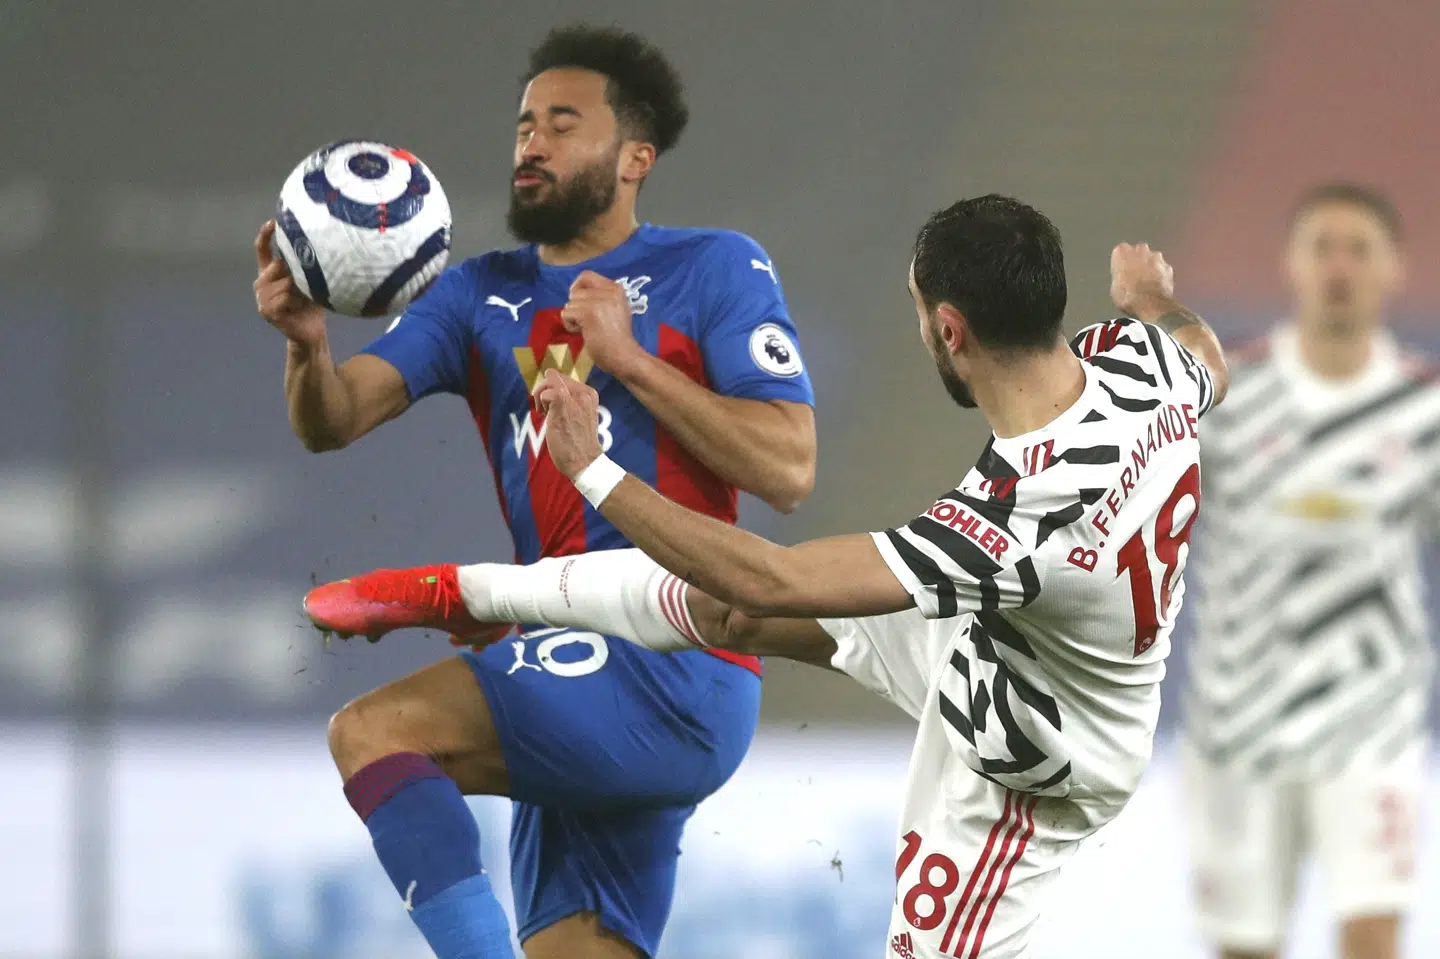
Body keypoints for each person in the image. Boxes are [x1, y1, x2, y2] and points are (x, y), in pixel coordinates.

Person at [306, 195, 1230, 958]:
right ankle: (467, 592)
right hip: (1006, 634)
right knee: (721, 611)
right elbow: (1206, 358)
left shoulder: (1015, 510)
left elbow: (779, 580)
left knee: (750, 596)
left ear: (949, 328)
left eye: (919, 313)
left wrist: (594, 469)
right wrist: (1153, 299)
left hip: (1032, 758)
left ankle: (474, 591)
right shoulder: (1142, 362)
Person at [254, 24, 817, 959]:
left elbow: (788, 469)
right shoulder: (481, 294)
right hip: (566, 655)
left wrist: (629, 358)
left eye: (563, 123)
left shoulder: (713, 267)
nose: (532, 143)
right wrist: (308, 345)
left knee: (378, 731)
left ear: (635, 157)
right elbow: (334, 420)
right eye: (523, 125)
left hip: (674, 657)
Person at [1181, 183, 1439, 959]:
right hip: (1238, 719)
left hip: (1371, 719)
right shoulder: (1229, 395)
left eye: (1359, 249)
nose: (1339, 266)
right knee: (1247, 947)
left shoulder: (1425, 407)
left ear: (1394, 268)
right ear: (1291, 264)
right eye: (1322, 246)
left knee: (1372, 935)